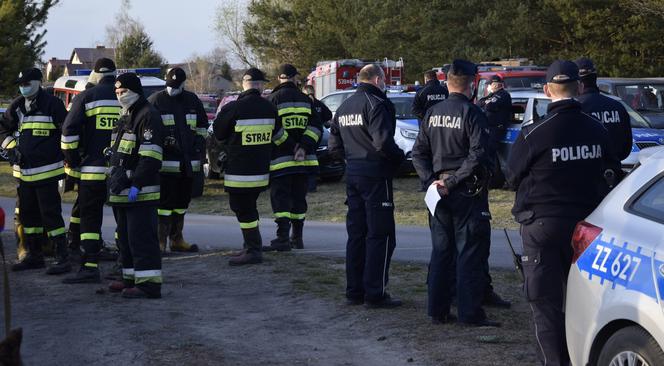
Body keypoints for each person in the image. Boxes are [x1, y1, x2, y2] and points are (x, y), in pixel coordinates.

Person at [507, 60, 614, 365]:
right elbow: (611, 170)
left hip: (543, 228)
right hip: (587, 227)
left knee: (545, 304)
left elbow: (511, 176)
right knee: (587, 301)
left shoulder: (534, 132)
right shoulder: (597, 129)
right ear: (579, 88)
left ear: (546, 90)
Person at [411, 59, 499, 326]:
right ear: (472, 84)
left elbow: (418, 153)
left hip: (439, 193)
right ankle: (470, 314)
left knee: (441, 252)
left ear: (447, 82)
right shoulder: (473, 114)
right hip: (464, 192)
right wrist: (450, 183)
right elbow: (479, 155)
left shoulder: (432, 112)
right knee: (468, 253)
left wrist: (431, 182)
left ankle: (437, 310)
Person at [328, 64, 405, 308]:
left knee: (357, 234)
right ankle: (375, 293)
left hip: (353, 174)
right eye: (383, 80)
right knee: (380, 235)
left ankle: (354, 291)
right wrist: (400, 159)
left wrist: (352, 160)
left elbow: (333, 147)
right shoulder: (375, 103)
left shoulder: (343, 107)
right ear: (377, 79)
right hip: (375, 175)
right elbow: (383, 143)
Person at [213, 68, 287, 265]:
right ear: (261, 85)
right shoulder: (270, 108)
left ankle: (253, 250)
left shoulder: (233, 108)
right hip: (261, 172)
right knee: (249, 208)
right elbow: (281, 138)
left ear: (244, 84)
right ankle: (250, 246)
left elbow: (218, 134)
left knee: (243, 209)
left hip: (239, 173)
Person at [0, 68, 71, 275]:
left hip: (47, 172)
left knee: (51, 215)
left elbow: (66, 132)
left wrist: (67, 156)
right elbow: (2, 129)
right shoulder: (17, 105)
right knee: (28, 216)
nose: (23, 87)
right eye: (20, 84)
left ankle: (61, 256)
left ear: (39, 82)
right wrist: (11, 148)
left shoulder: (53, 105)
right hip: (24, 173)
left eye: (27, 83)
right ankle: (34, 254)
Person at [60, 58, 120, 284]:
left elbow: (68, 133)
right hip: (121, 174)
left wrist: (73, 160)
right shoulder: (127, 97)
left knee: (90, 219)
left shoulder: (86, 97)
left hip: (92, 172)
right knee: (122, 218)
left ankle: (90, 266)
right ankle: (123, 265)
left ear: (95, 75)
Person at [106, 72, 164, 299]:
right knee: (126, 239)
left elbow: (150, 157)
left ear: (136, 91)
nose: (121, 96)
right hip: (121, 191)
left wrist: (137, 184)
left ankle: (149, 284)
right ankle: (129, 277)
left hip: (141, 192)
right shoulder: (126, 115)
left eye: (125, 92)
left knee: (142, 240)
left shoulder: (148, 115)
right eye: (118, 93)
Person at [148, 67, 208, 254]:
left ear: (183, 84)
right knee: (164, 206)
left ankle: (177, 239)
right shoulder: (156, 101)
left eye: (176, 86)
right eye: (169, 85)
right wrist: (163, 142)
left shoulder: (192, 100)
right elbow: (147, 130)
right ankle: (160, 242)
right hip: (165, 166)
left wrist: (197, 144)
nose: (171, 89)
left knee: (182, 204)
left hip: (188, 165)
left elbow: (203, 126)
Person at [264, 64, 322, 251]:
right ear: (295, 78)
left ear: (280, 78)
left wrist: (292, 146)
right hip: (303, 162)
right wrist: (303, 147)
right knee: (299, 198)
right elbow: (316, 128)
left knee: (280, 200)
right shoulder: (306, 100)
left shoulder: (272, 99)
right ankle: (297, 238)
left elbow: (272, 129)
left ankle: (282, 238)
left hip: (281, 161)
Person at [476, 74, 512, 308]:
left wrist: (487, 99)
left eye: (496, 83)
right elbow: (481, 105)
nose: (494, 86)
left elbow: (488, 105)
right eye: (492, 83)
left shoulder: (502, 96)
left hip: (496, 133)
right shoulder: (488, 98)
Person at [575, 57, 632, 195]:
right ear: (595, 78)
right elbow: (626, 147)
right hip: (615, 177)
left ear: (578, 82)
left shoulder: (576, 109)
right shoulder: (617, 107)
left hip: (584, 180)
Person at [302, 84, 332, 192]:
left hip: (307, 135)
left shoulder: (304, 104)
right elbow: (328, 115)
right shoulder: (319, 103)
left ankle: (307, 185)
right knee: (313, 159)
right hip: (319, 133)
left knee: (307, 159)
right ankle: (312, 185)